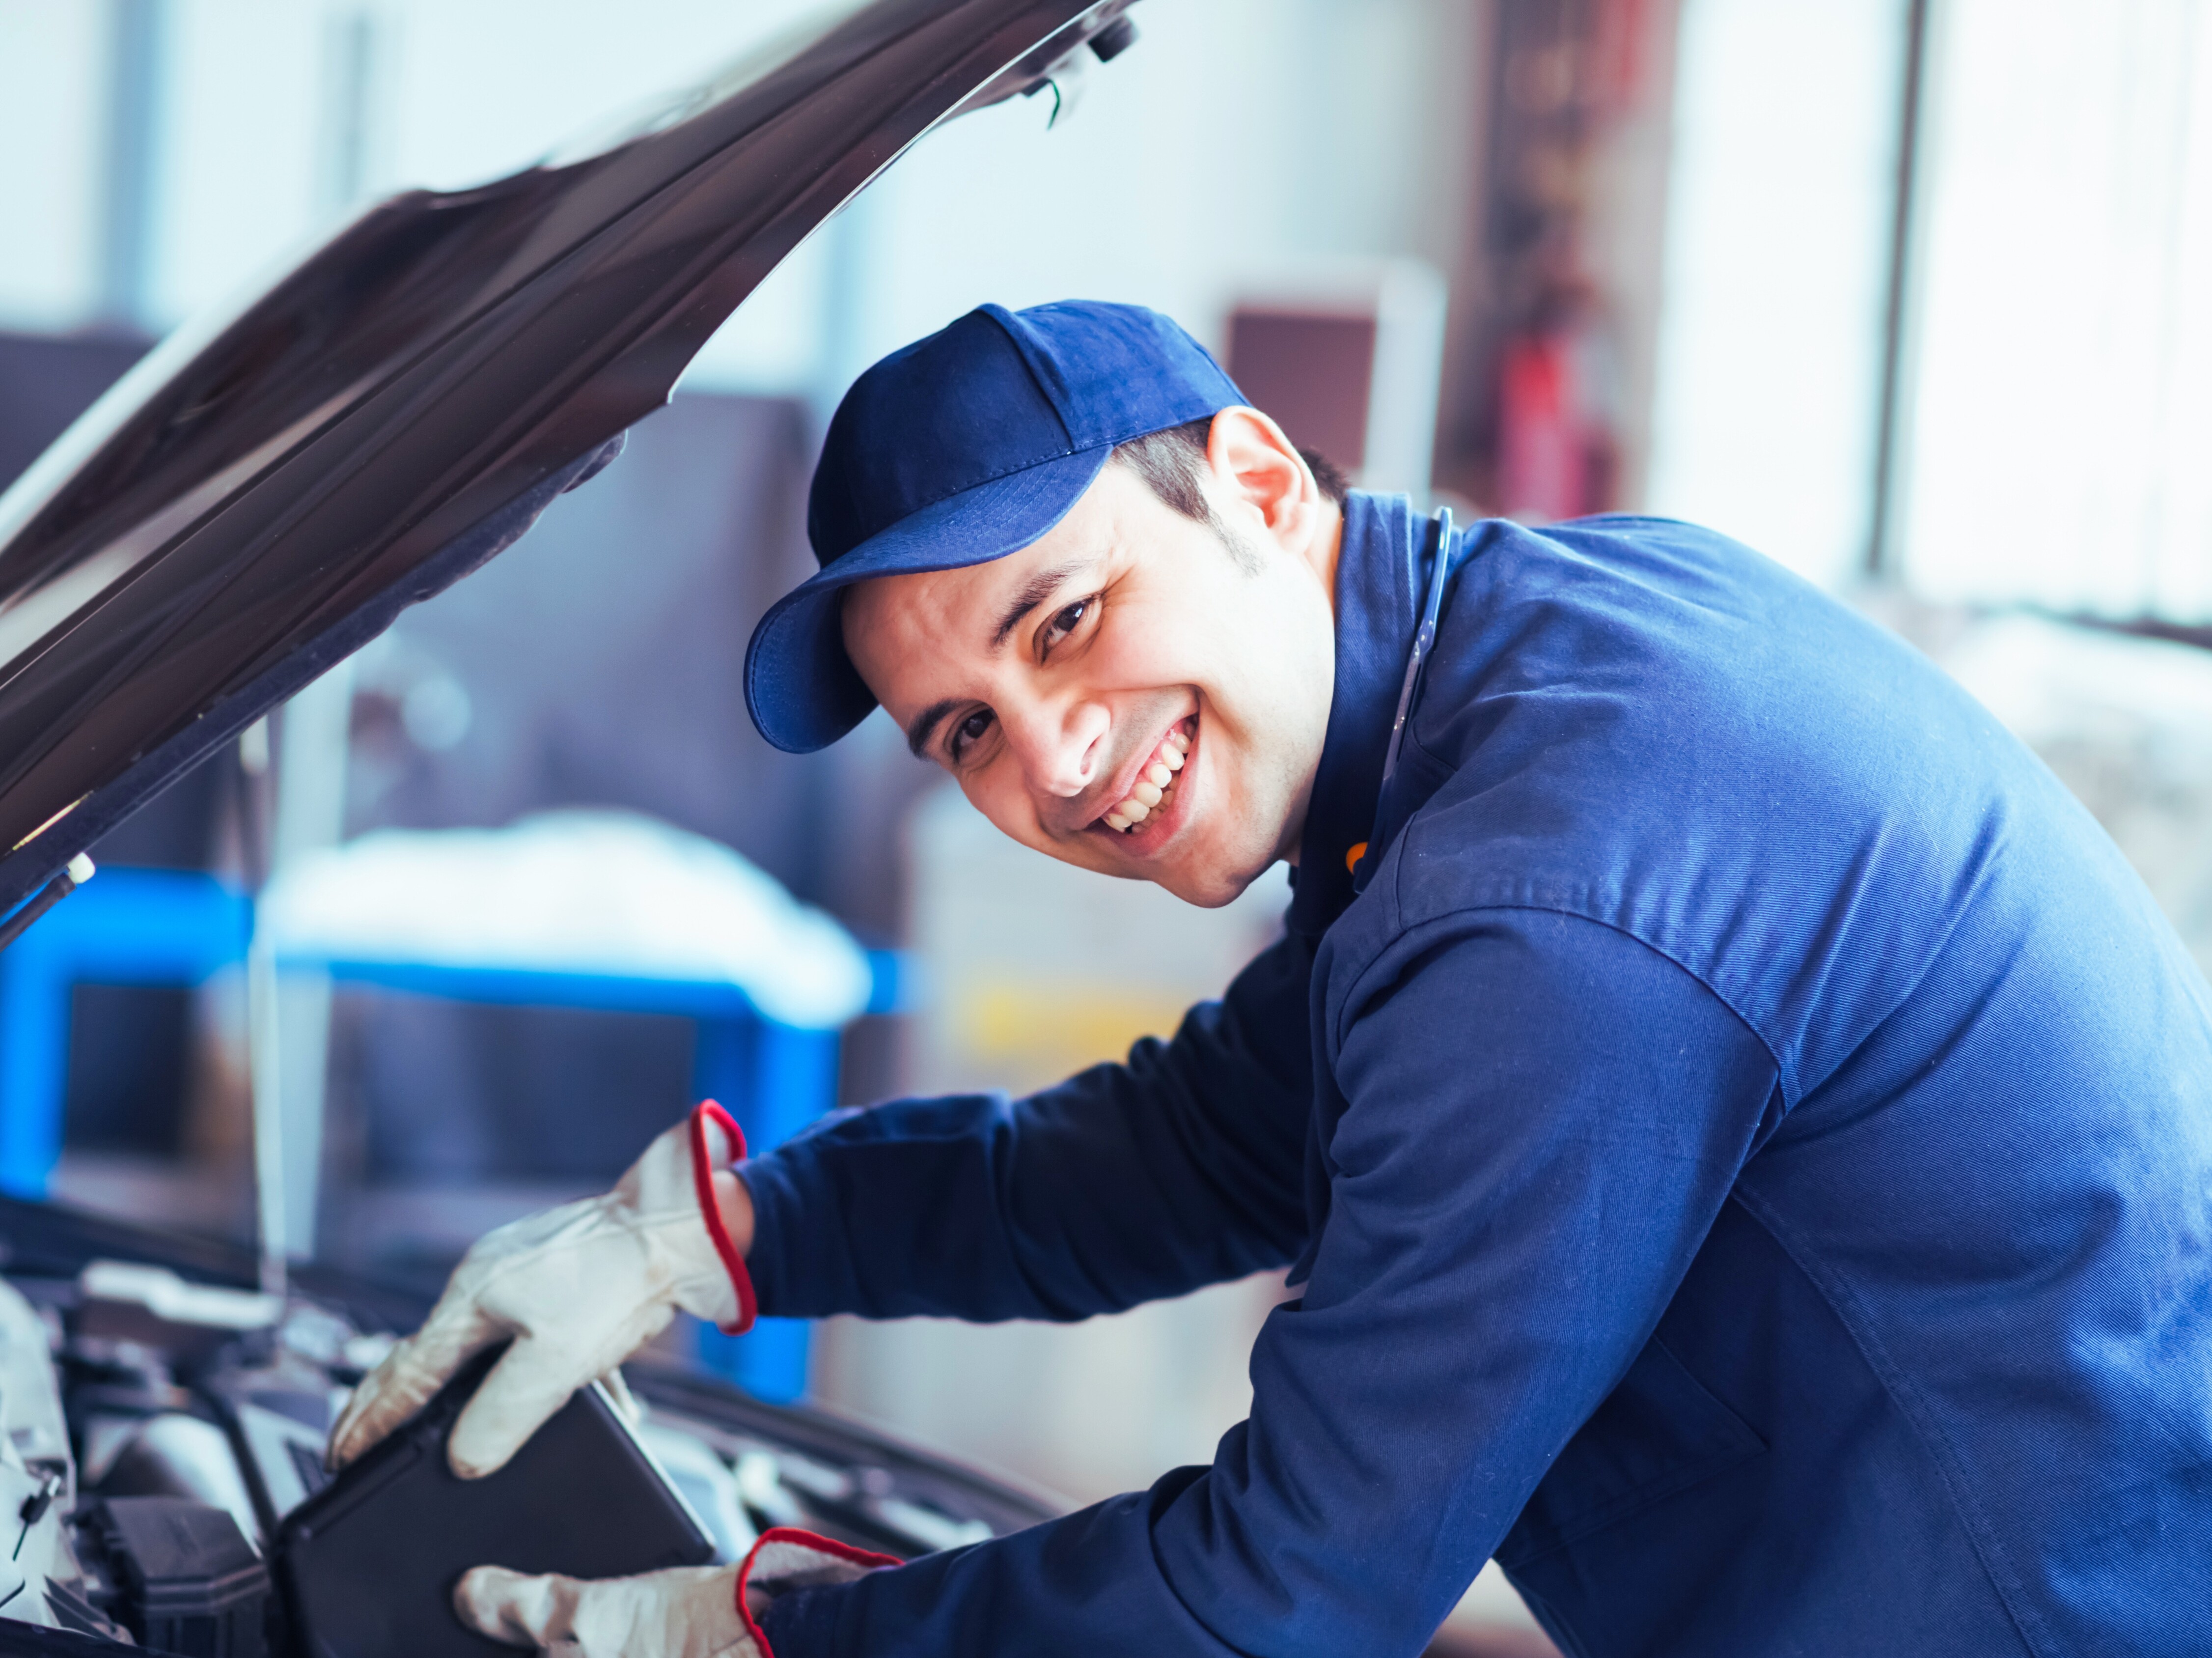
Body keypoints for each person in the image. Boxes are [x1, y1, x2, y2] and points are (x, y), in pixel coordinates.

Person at [328, 300, 2212, 1658]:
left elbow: (1289, 1596)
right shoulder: (1500, 688)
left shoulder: (1551, 899)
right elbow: (1186, 1151)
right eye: (966, 730)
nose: (1054, 765)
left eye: (1067, 621)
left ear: (1253, 478)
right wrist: (701, 1233)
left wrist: (766, 1632)